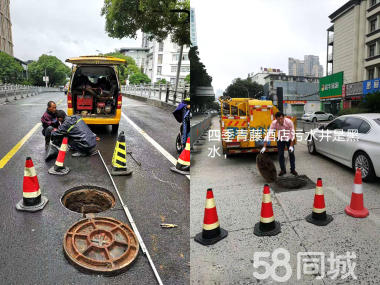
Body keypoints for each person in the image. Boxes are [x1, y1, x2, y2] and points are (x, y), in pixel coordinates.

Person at [261, 111, 298, 176]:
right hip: (280, 139)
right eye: (278, 119)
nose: (280, 120)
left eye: (281, 118)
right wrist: (264, 146)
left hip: (289, 138)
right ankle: (283, 170)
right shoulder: (274, 123)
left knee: (291, 154)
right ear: (276, 119)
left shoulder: (289, 122)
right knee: (280, 155)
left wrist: (291, 145)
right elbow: (269, 134)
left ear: (284, 117)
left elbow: (292, 134)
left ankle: (293, 170)